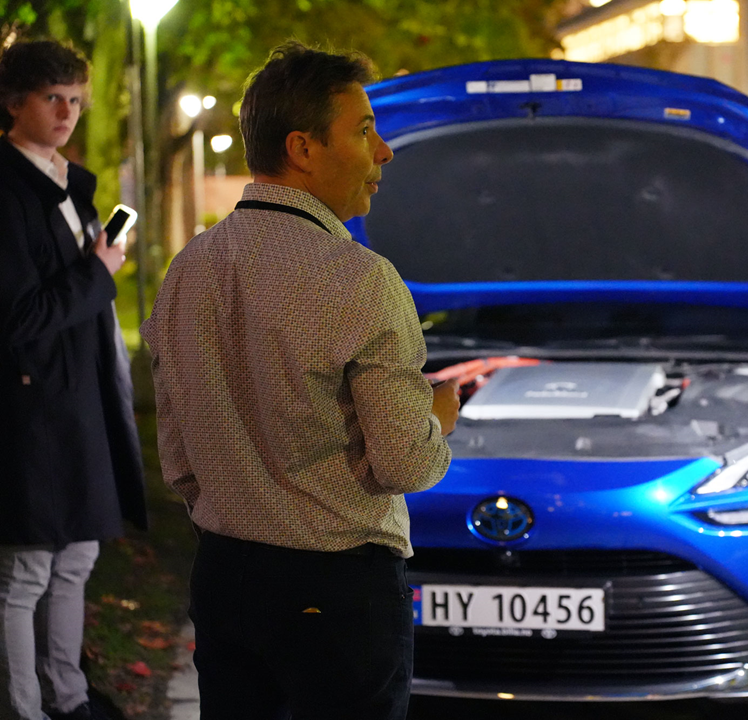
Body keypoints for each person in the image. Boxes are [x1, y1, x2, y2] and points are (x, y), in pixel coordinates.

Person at [141, 43, 459, 720]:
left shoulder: (187, 271)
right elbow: (405, 462)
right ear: (302, 148)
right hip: (338, 594)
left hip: (225, 578)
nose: (385, 153)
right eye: (365, 130)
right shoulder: (361, 279)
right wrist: (439, 420)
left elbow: (178, 458)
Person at [0, 40, 147, 720]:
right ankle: (25, 707)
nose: (66, 113)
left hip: (82, 399)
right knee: (26, 571)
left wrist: (98, 260)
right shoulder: (7, 190)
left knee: (77, 559)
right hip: (34, 410)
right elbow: (20, 315)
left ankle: (69, 696)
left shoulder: (69, 184)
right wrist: (98, 270)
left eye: (76, 101)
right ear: (14, 104)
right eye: (51, 98)